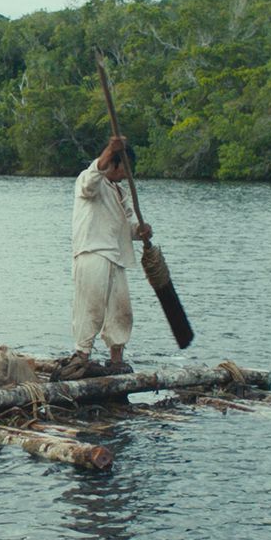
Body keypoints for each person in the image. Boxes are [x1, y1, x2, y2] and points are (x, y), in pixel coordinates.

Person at [71, 135, 153, 371]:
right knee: (91, 308)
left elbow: (124, 228)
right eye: (124, 167)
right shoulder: (89, 180)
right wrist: (109, 150)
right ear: (112, 163)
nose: (127, 174)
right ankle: (82, 356)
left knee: (121, 310)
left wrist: (141, 231)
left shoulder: (118, 192)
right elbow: (90, 181)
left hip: (117, 256)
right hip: (93, 252)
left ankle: (116, 358)